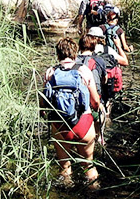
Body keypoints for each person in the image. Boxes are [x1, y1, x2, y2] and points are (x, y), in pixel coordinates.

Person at [42, 38, 102, 188]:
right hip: (84, 124)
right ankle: (94, 192)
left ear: (58, 55)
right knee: (88, 165)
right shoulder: (84, 71)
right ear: (75, 54)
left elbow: (43, 103)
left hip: (60, 124)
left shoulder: (51, 72)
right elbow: (95, 102)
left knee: (65, 167)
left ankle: (65, 192)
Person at [76, 35, 108, 144]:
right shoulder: (100, 60)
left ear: (79, 46)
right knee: (102, 115)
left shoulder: (73, 61)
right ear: (94, 47)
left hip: (77, 100)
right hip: (94, 101)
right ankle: (99, 137)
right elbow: (105, 80)